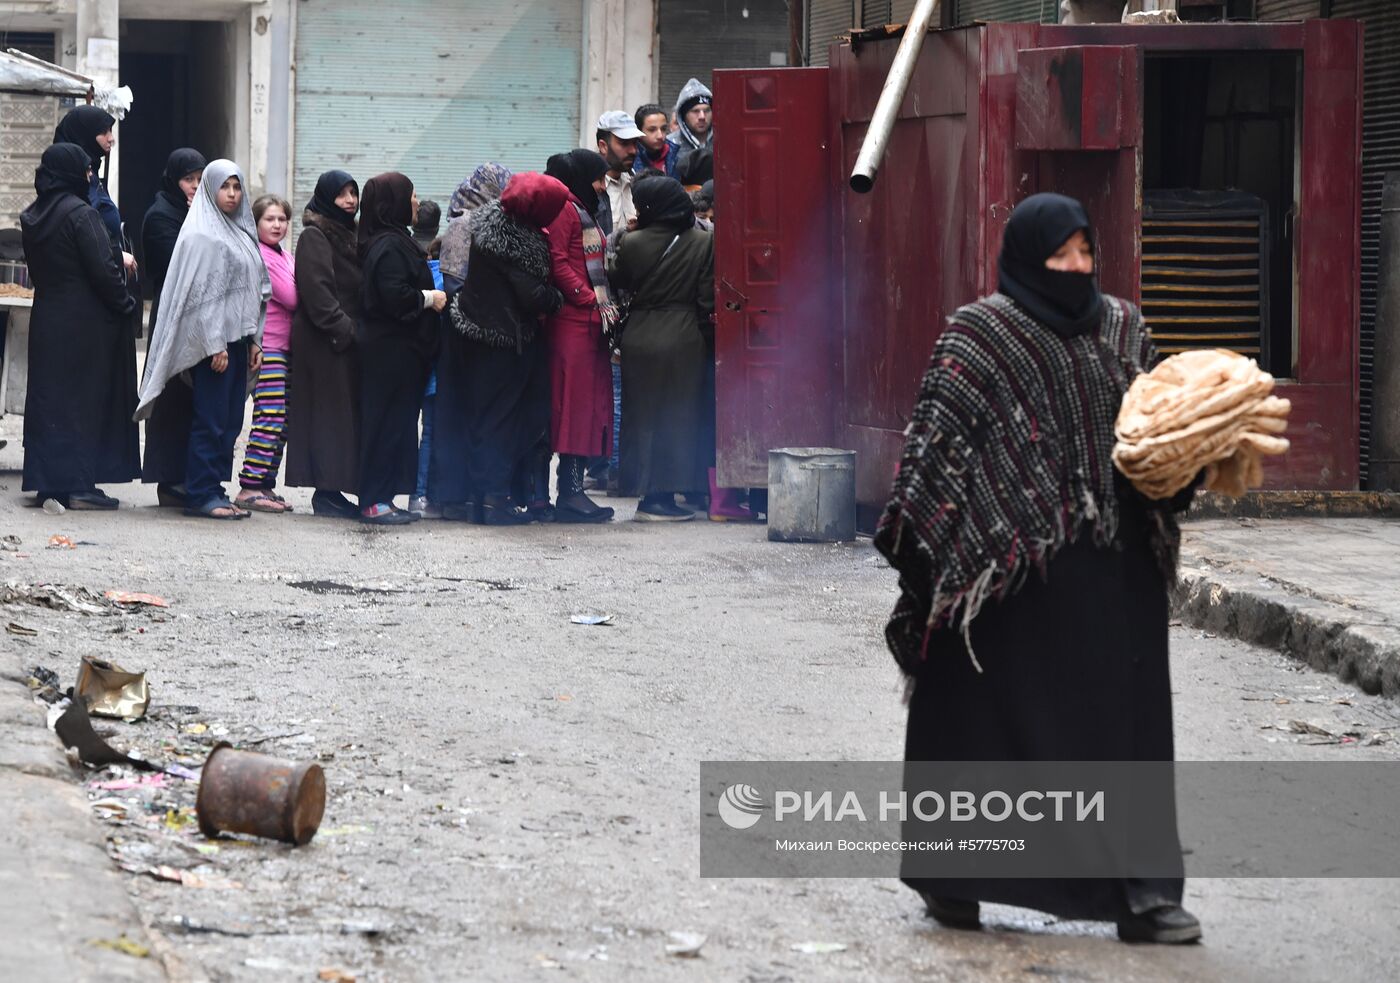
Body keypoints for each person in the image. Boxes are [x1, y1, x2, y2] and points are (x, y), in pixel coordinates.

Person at [872, 193, 1201, 945]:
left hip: (1114, 566)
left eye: (1087, 252)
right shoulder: (979, 333)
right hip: (1000, 574)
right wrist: (942, 553)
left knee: (1128, 730)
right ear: (1027, 258)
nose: (1078, 268)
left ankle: (1143, 893)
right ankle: (954, 878)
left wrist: (1188, 458)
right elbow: (936, 448)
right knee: (977, 724)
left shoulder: (1123, 326)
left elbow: (1162, 431)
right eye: (1062, 255)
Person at [135, 160, 269, 520]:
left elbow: (256, 289)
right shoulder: (200, 236)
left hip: (239, 343)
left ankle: (213, 488)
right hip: (215, 349)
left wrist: (255, 339)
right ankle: (199, 495)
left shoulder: (240, 233)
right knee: (210, 419)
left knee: (229, 422)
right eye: (224, 187)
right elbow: (201, 298)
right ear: (212, 191)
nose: (231, 194)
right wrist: (214, 344)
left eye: (236, 187)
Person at [434, 172, 566, 524]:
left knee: (485, 419)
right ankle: (493, 502)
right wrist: (557, 297)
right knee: (500, 421)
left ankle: (484, 500)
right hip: (502, 341)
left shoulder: (491, 225)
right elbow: (532, 295)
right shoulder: (515, 240)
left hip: (479, 332)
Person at [19, 143, 139, 509]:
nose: (90, 177)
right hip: (86, 325)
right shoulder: (82, 215)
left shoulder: (35, 214)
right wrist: (127, 305)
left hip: (49, 317)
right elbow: (104, 270)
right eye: (87, 171)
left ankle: (51, 484)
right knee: (84, 404)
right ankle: (79, 487)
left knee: (52, 403)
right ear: (73, 172)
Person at [608, 177, 717, 521]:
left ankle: (646, 492)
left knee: (641, 417)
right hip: (684, 337)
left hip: (639, 336)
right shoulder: (704, 241)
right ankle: (671, 496)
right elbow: (705, 298)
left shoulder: (633, 242)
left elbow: (619, 280)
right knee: (681, 417)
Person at [355, 171, 445, 525]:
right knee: (386, 424)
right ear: (391, 204)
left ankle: (383, 498)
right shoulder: (389, 246)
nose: (416, 203)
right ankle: (374, 500)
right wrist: (430, 297)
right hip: (389, 353)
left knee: (396, 424)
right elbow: (393, 297)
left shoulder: (394, 239)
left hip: (400, 354)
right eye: (410, 197)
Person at [285, 170, 363, 518]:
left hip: (339, 339)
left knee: (339, 418)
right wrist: (345, 330)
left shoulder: (351, 233)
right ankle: (325, 492)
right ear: (325, 197)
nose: (350, 200)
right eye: (342, 194)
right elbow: (317, 292)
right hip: (324, 340)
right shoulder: (316, 236)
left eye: (353, 193)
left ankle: (332, 489)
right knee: (326, 417)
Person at [543, 149, 615, 523]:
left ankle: (573, 491)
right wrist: (588, 299)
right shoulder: (565, 211)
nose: (603, 186)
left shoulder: (581, 209)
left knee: (586, 410)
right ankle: (569, 493)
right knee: (574, 409)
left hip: (588, 323)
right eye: (598, 178)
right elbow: (558, 262)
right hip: (573, 324)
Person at [140, 148, 206, 506]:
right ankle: (169, 480)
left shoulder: (204, 215)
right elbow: (178, 265)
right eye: (188, 180)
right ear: (173, 180)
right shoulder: (160, 215)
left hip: (201, 317)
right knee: (171, 398)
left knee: (196, 398)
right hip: (172, 315)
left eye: (200, 179)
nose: (195, 187)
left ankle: (192, 477)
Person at [234, 195, 297, 513]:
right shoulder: (260, 256)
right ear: (256, 223)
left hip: (285, 348)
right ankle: (250, 486)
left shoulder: (284, 255)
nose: (277, 225)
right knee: (268, 417)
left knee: (281, 419)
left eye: (282, 219)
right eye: (270, 219)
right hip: (267, 346)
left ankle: (265, 484)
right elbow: (293, 295)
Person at [53, 105, 132, 271]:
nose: (111, 139)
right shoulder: (72, 182)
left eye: (111, 131)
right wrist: (116, 256)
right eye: (104, 132)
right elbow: (82, 235)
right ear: (84, 135)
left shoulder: (93, 174)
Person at [441, 163, 512, 295]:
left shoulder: (500, 223)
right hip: (468, 310)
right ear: (491, 190)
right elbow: (454, 287)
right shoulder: (462, 225)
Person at [596, 111, 641, 235]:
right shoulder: (590, 189)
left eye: (635, 143)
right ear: (603, 146)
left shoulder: (637, 184)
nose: (633, 151)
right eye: (624, 143)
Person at [667, 78, 713, 173]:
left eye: (707, 110)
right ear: (683, 115)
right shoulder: (670, 146)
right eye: (695, 111)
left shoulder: (725, 142)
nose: (702, 116)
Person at [633, 103, 680, 179]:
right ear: (639, 132)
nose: (660, 136)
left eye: (663, 129)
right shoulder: (630, 158)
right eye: (652, 130)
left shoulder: (675, 155)